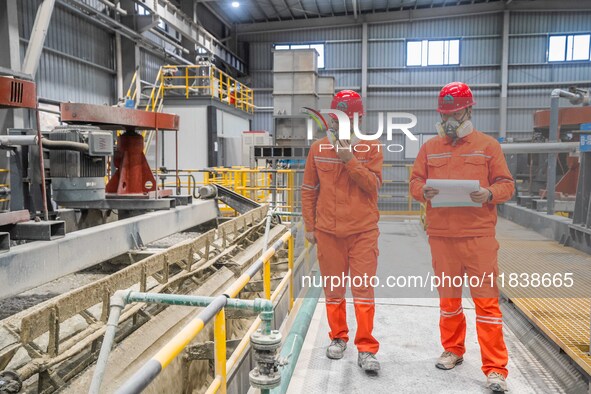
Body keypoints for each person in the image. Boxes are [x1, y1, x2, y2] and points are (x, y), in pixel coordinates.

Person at [410, 82, 515, 392]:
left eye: (455, 113)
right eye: (445, 114)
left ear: (468, 111)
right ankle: (453, 349)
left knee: (486, 304)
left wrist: (488, 193)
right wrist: (421, 191)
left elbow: (507, 185)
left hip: (478, 236)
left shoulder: (487, 146)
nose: (449, 120)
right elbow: (415, 181)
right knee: (449, 302)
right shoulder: (430, 148)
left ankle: (495, 368)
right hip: (442, 237)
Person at [301, 90, 383, 373]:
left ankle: (366, 348)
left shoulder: (371, 147)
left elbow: (373, 186)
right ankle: (338, 337)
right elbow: (309, 189)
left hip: (362, 232)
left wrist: (349, 158)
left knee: (362, 291)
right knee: (334, 290)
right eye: (337, 119)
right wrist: (309, 226)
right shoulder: (317, 149)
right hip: (328, 232)